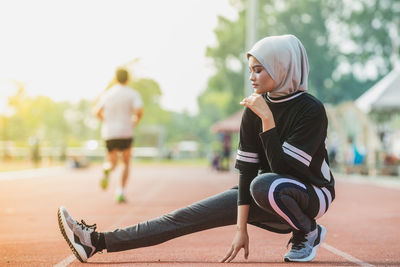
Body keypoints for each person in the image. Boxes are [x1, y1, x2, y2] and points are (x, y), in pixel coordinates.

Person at [58, 34, 334, 263]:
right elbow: (248, 171)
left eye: (259, 70)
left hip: (310, 192)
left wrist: (268, 119)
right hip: (262, 191)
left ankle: (307, 232)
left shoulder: (310, 109)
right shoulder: (254, 109)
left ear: (281, 67)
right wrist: (241, 229)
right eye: (250, 69)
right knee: (184, 217)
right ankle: (96, 242)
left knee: (265, 184)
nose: (252, 77)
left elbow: (285, 169)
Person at [95, 67, 143, 203]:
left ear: (115, 79)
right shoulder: (132, 93)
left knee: (112, 163)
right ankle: (120, 191)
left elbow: (97, 111)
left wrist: (106, 121)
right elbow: (139, 111)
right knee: (126, 163)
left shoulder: (107, 94)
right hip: (126, 132)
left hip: (110, 133)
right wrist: (135, 121)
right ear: (128, 79)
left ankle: (106, 169)